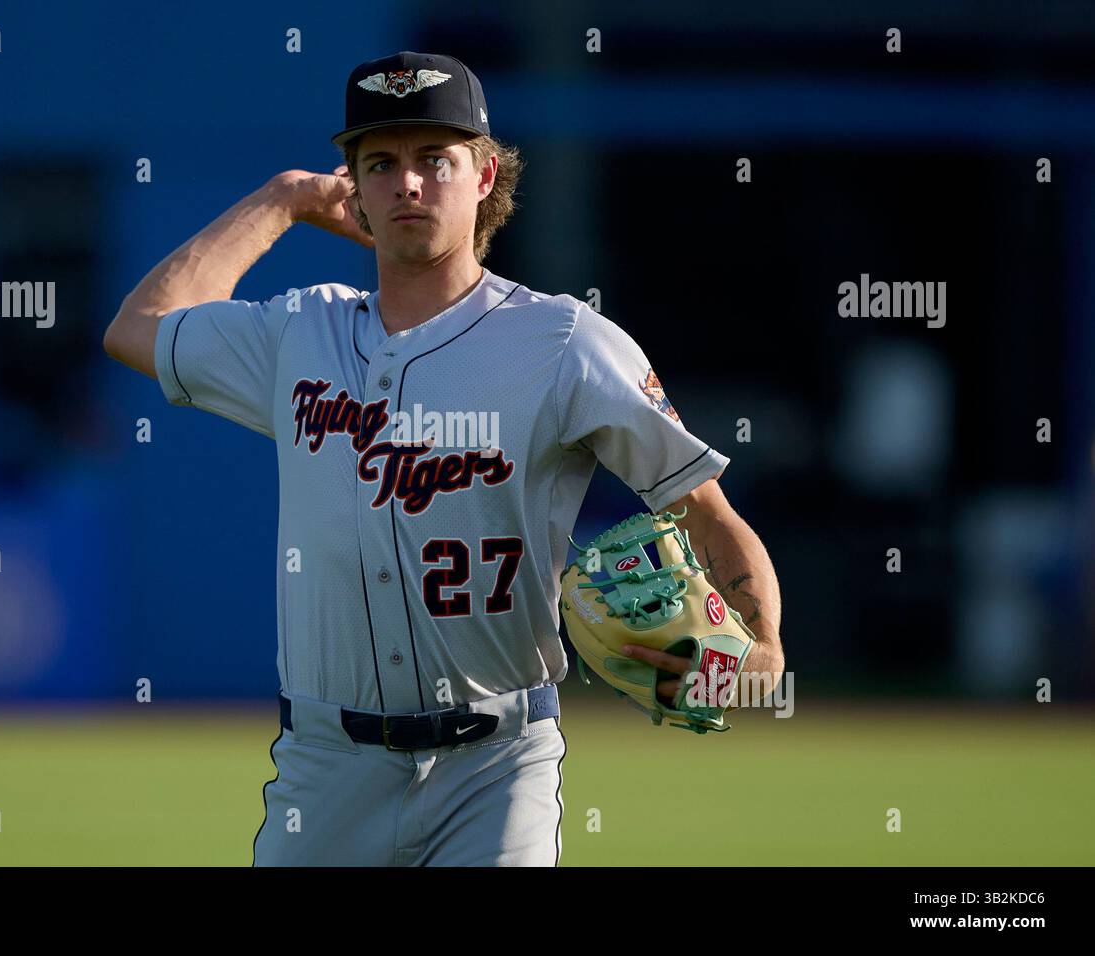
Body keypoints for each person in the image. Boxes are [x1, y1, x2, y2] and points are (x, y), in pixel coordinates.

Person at [103, 51, 784, 866]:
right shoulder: (298, 335)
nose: (408, 184)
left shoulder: (565, 344)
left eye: (436, 158)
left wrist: (765, 652)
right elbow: (137, 327)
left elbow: (704, 514)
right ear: (352, 186)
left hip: (496, 768)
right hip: (324, 771)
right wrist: (283, 198)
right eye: (380, 164)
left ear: (487, 173)